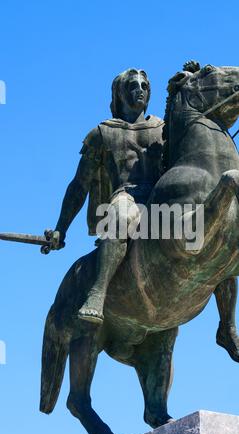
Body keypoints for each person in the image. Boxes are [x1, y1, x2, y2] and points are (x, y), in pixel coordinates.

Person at [49, 69, 164, 323]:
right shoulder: (102, 134)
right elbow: (79, 185)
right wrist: (61, 229)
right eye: (133, 85)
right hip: (126, 197)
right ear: (120, 93)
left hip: (161, 199)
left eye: (145, 85)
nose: (141, 89)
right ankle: (98, 293)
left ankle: (227, 323)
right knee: (119, 216)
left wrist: (189, 78)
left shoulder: (164, 129)